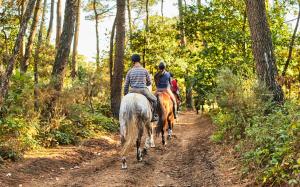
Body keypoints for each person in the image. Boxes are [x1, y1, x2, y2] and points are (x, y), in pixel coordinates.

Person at [124, 54, 158, 122]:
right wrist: (146, 83)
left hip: (132, 90)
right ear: (139, 61)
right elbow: (149, 83)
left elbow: (126, 85)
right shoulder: (145, 70)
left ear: (133, 61)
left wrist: (125, 94)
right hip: (143, 90)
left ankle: (124, 117)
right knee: (155, 100)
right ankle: (154, 116)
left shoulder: (130, 71)